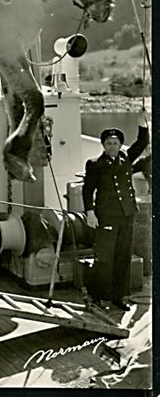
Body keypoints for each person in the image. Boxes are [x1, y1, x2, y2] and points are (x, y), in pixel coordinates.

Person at [82, 114, 150, 310]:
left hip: (127, 215)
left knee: (122, 257)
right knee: (104, 257)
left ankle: (118, 296)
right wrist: (90, 212)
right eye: (109, 143)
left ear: (121, 145)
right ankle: (96, 296)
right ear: (103, 145)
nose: (112, 146)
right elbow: (88, 190)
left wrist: (142, 123)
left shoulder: (126, 158)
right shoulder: (95, 164)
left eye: (115, 142)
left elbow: (143, 141)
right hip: (107, 216)